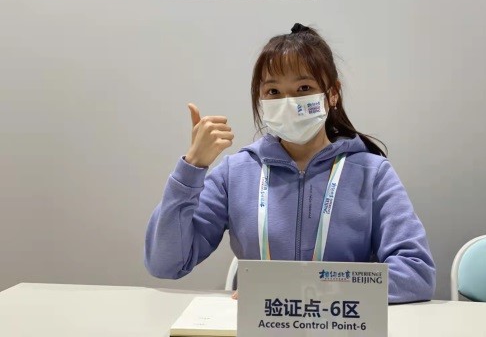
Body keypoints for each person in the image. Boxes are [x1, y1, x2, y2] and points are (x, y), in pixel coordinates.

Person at [144, 23, 436, 303]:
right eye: (273, 92)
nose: (288, 102)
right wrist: (192, 168)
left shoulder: (372, 174)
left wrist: (306, 290)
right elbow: (165, 263)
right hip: (258, 323)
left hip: (340, 323)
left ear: (332, 93)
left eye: (304, 88)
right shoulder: (236, 173)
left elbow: (415, 273)